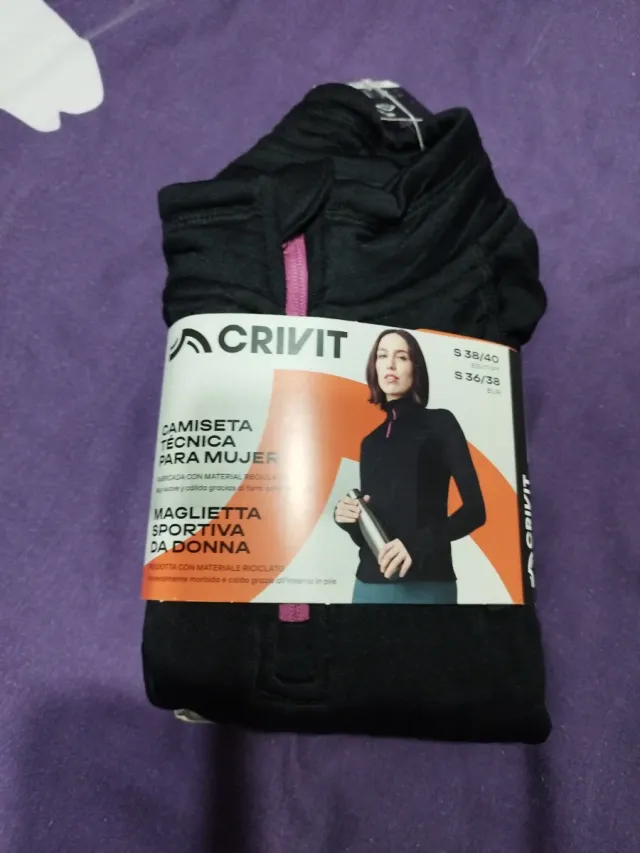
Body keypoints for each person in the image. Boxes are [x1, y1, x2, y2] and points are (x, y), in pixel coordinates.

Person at [335, 329, 486, 604]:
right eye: (382, 356)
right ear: (374, 367)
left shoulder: (440, 423)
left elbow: (475, 511)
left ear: (415, 368)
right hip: (368, 586)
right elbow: (370, 539)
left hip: (428, 585)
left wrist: (415, 544)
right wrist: (350, 521)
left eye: (401, 357)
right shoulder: (370, 442)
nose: (390, 364)